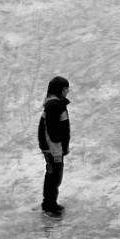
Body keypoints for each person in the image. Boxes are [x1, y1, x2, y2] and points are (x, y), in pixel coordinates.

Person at [37, 75, 71, 217]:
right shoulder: (53, 108)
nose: (68, 91)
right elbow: (51, 133)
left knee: (55, 175)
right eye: (65, 89)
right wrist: (57, 151)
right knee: (53, 176)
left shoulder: (58, 105)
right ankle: (48, 205)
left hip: (56, 148)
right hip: (53, 150)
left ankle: (51, 203)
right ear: (60, 90)